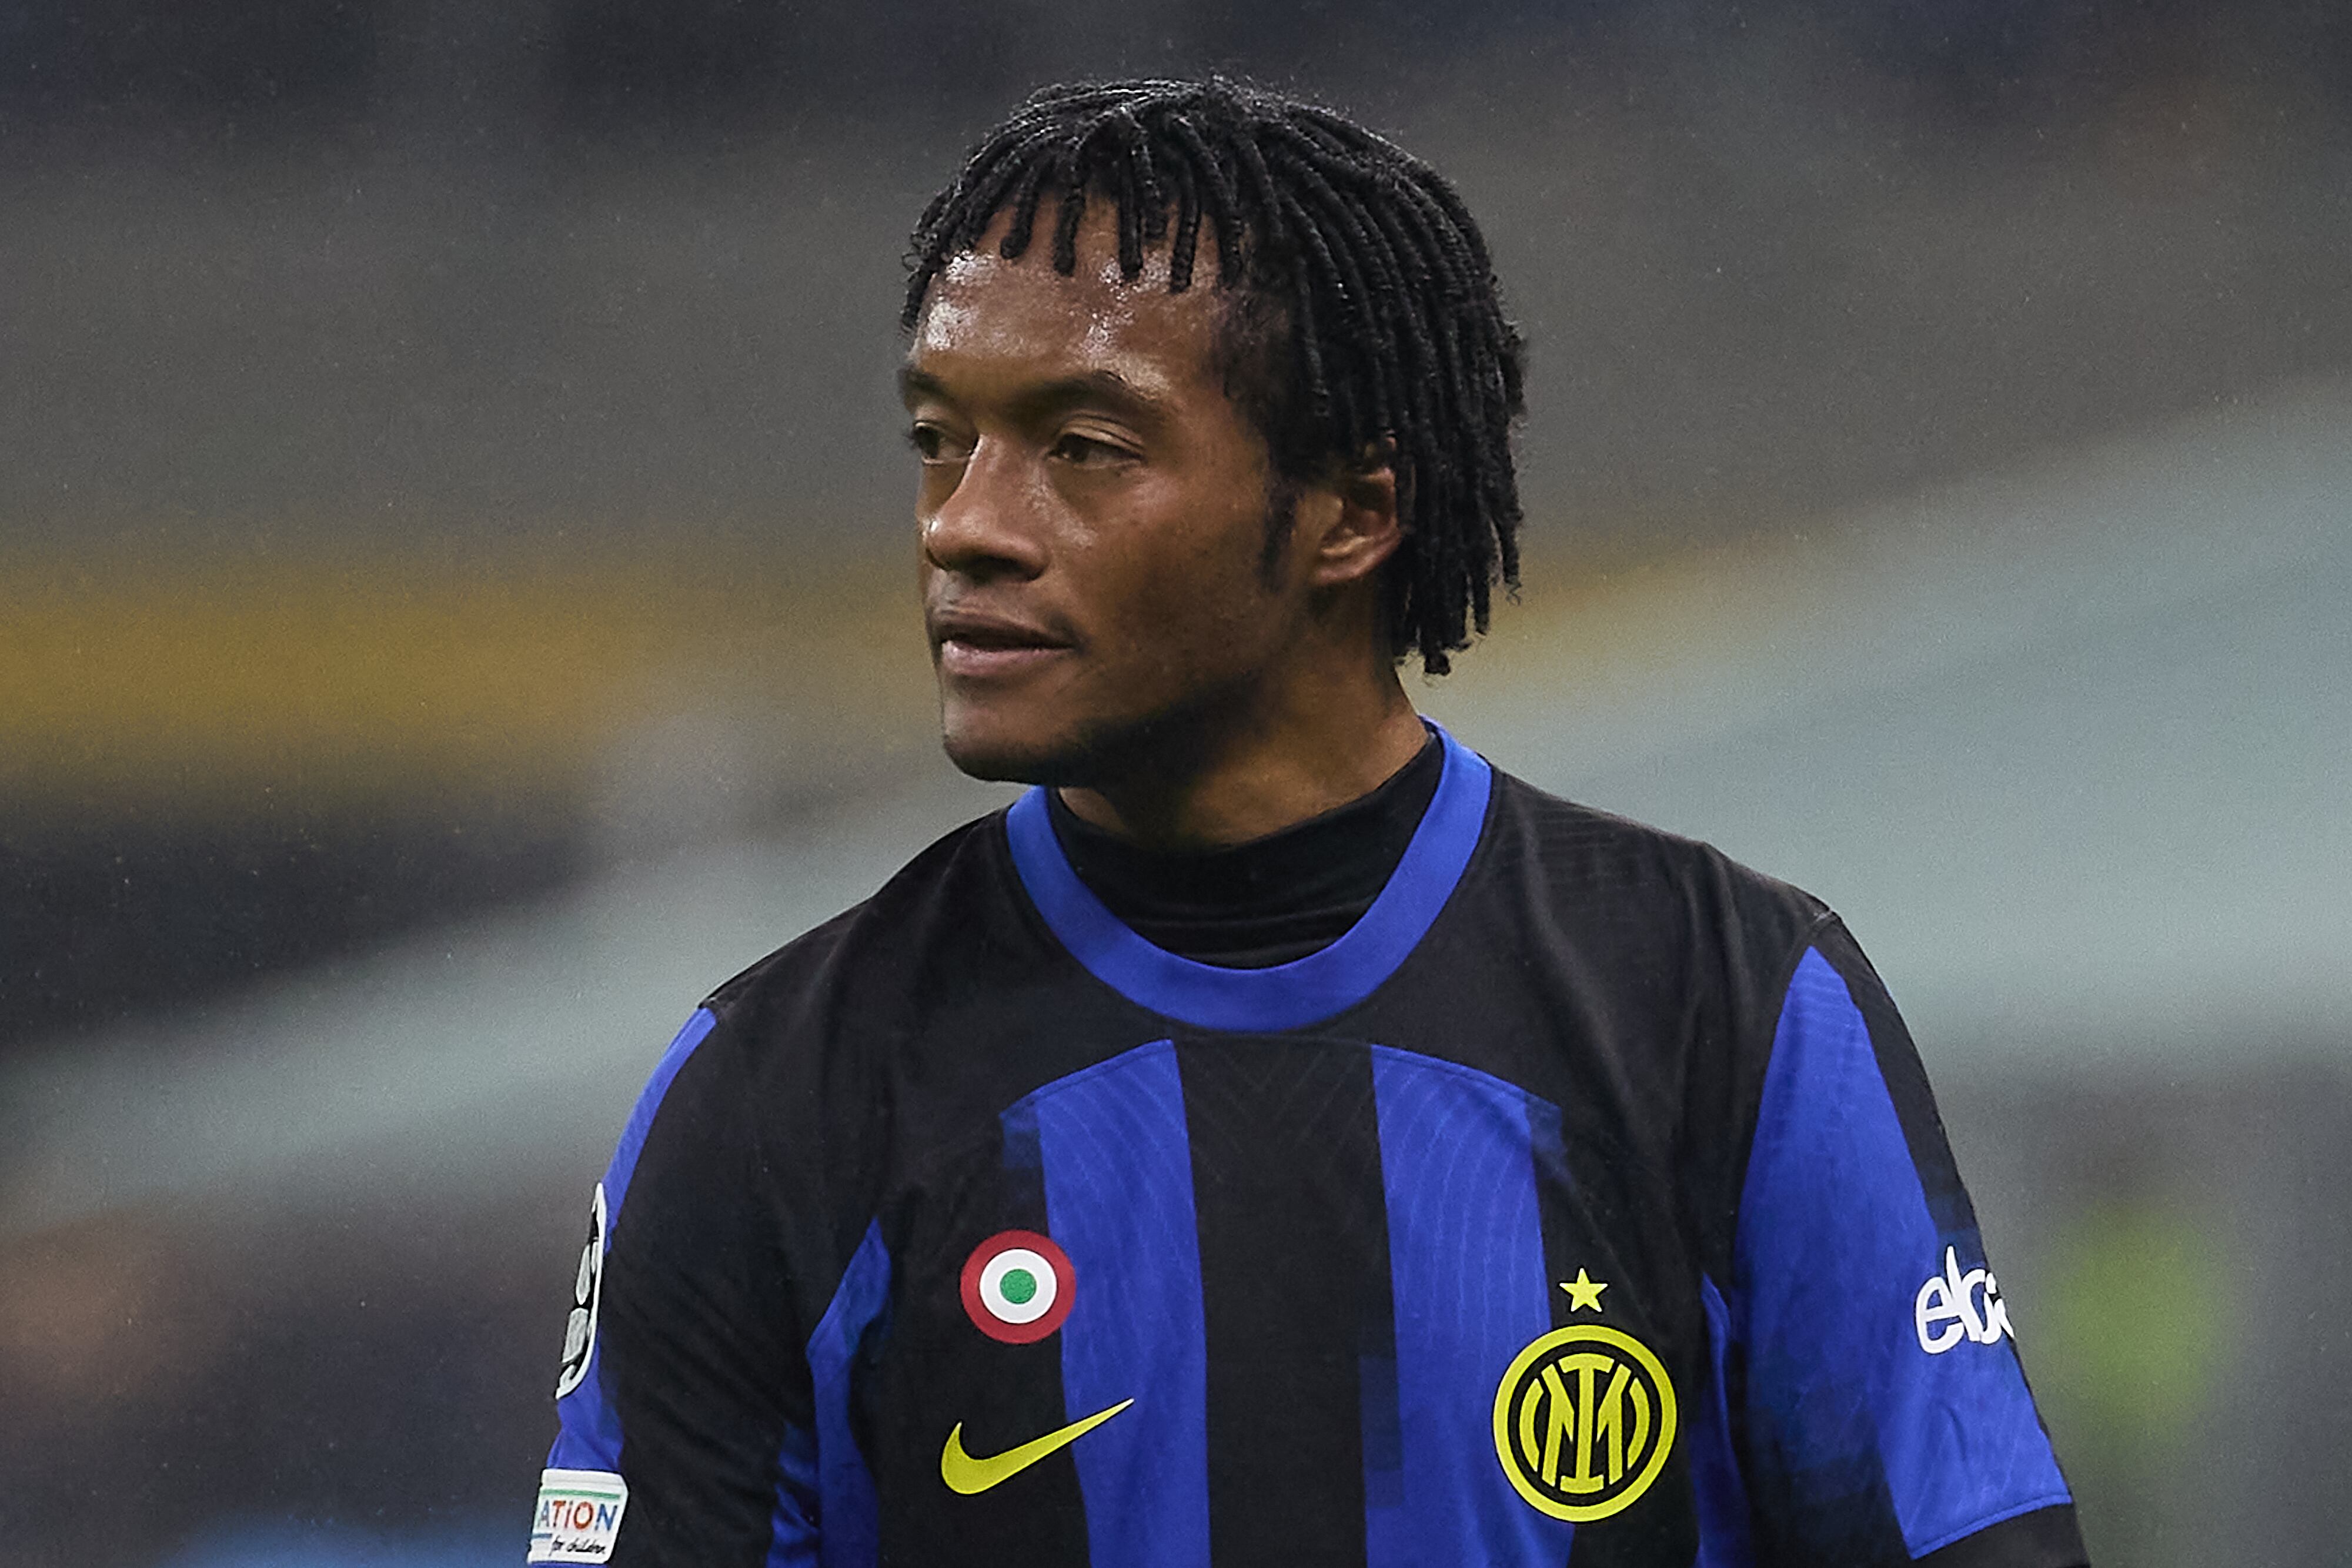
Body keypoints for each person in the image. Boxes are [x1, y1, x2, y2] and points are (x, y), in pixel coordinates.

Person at [530, 78, 2087, 1568]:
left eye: (1083, 448)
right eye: (942, 438)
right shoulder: (775, 1090)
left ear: (1352, 511)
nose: (967, 525)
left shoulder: (1726, 1010)